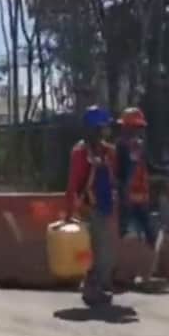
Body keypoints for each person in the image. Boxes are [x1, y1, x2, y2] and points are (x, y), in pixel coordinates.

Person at [65, 106, 119, 307]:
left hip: (104, 207)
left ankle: (96, 288)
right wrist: (69, 213)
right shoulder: (81, 152)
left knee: (103, 251)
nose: (108, 130)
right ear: (96, 128)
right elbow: (73, 183)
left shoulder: (106, 151)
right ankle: (92, 289)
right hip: (91, 207)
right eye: (105, 126)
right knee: (97, 252)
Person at [114, 107, 160, 246]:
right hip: (127, 196)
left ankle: (150, 258)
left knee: (147, 231)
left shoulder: (139, 145)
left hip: (140, 196)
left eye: (138, 127)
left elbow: (149, 165)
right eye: (134, 127)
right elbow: (121, 172)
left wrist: (164, 169)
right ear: (126, 127)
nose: (137, 130)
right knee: (127, 231)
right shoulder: (121, 146)